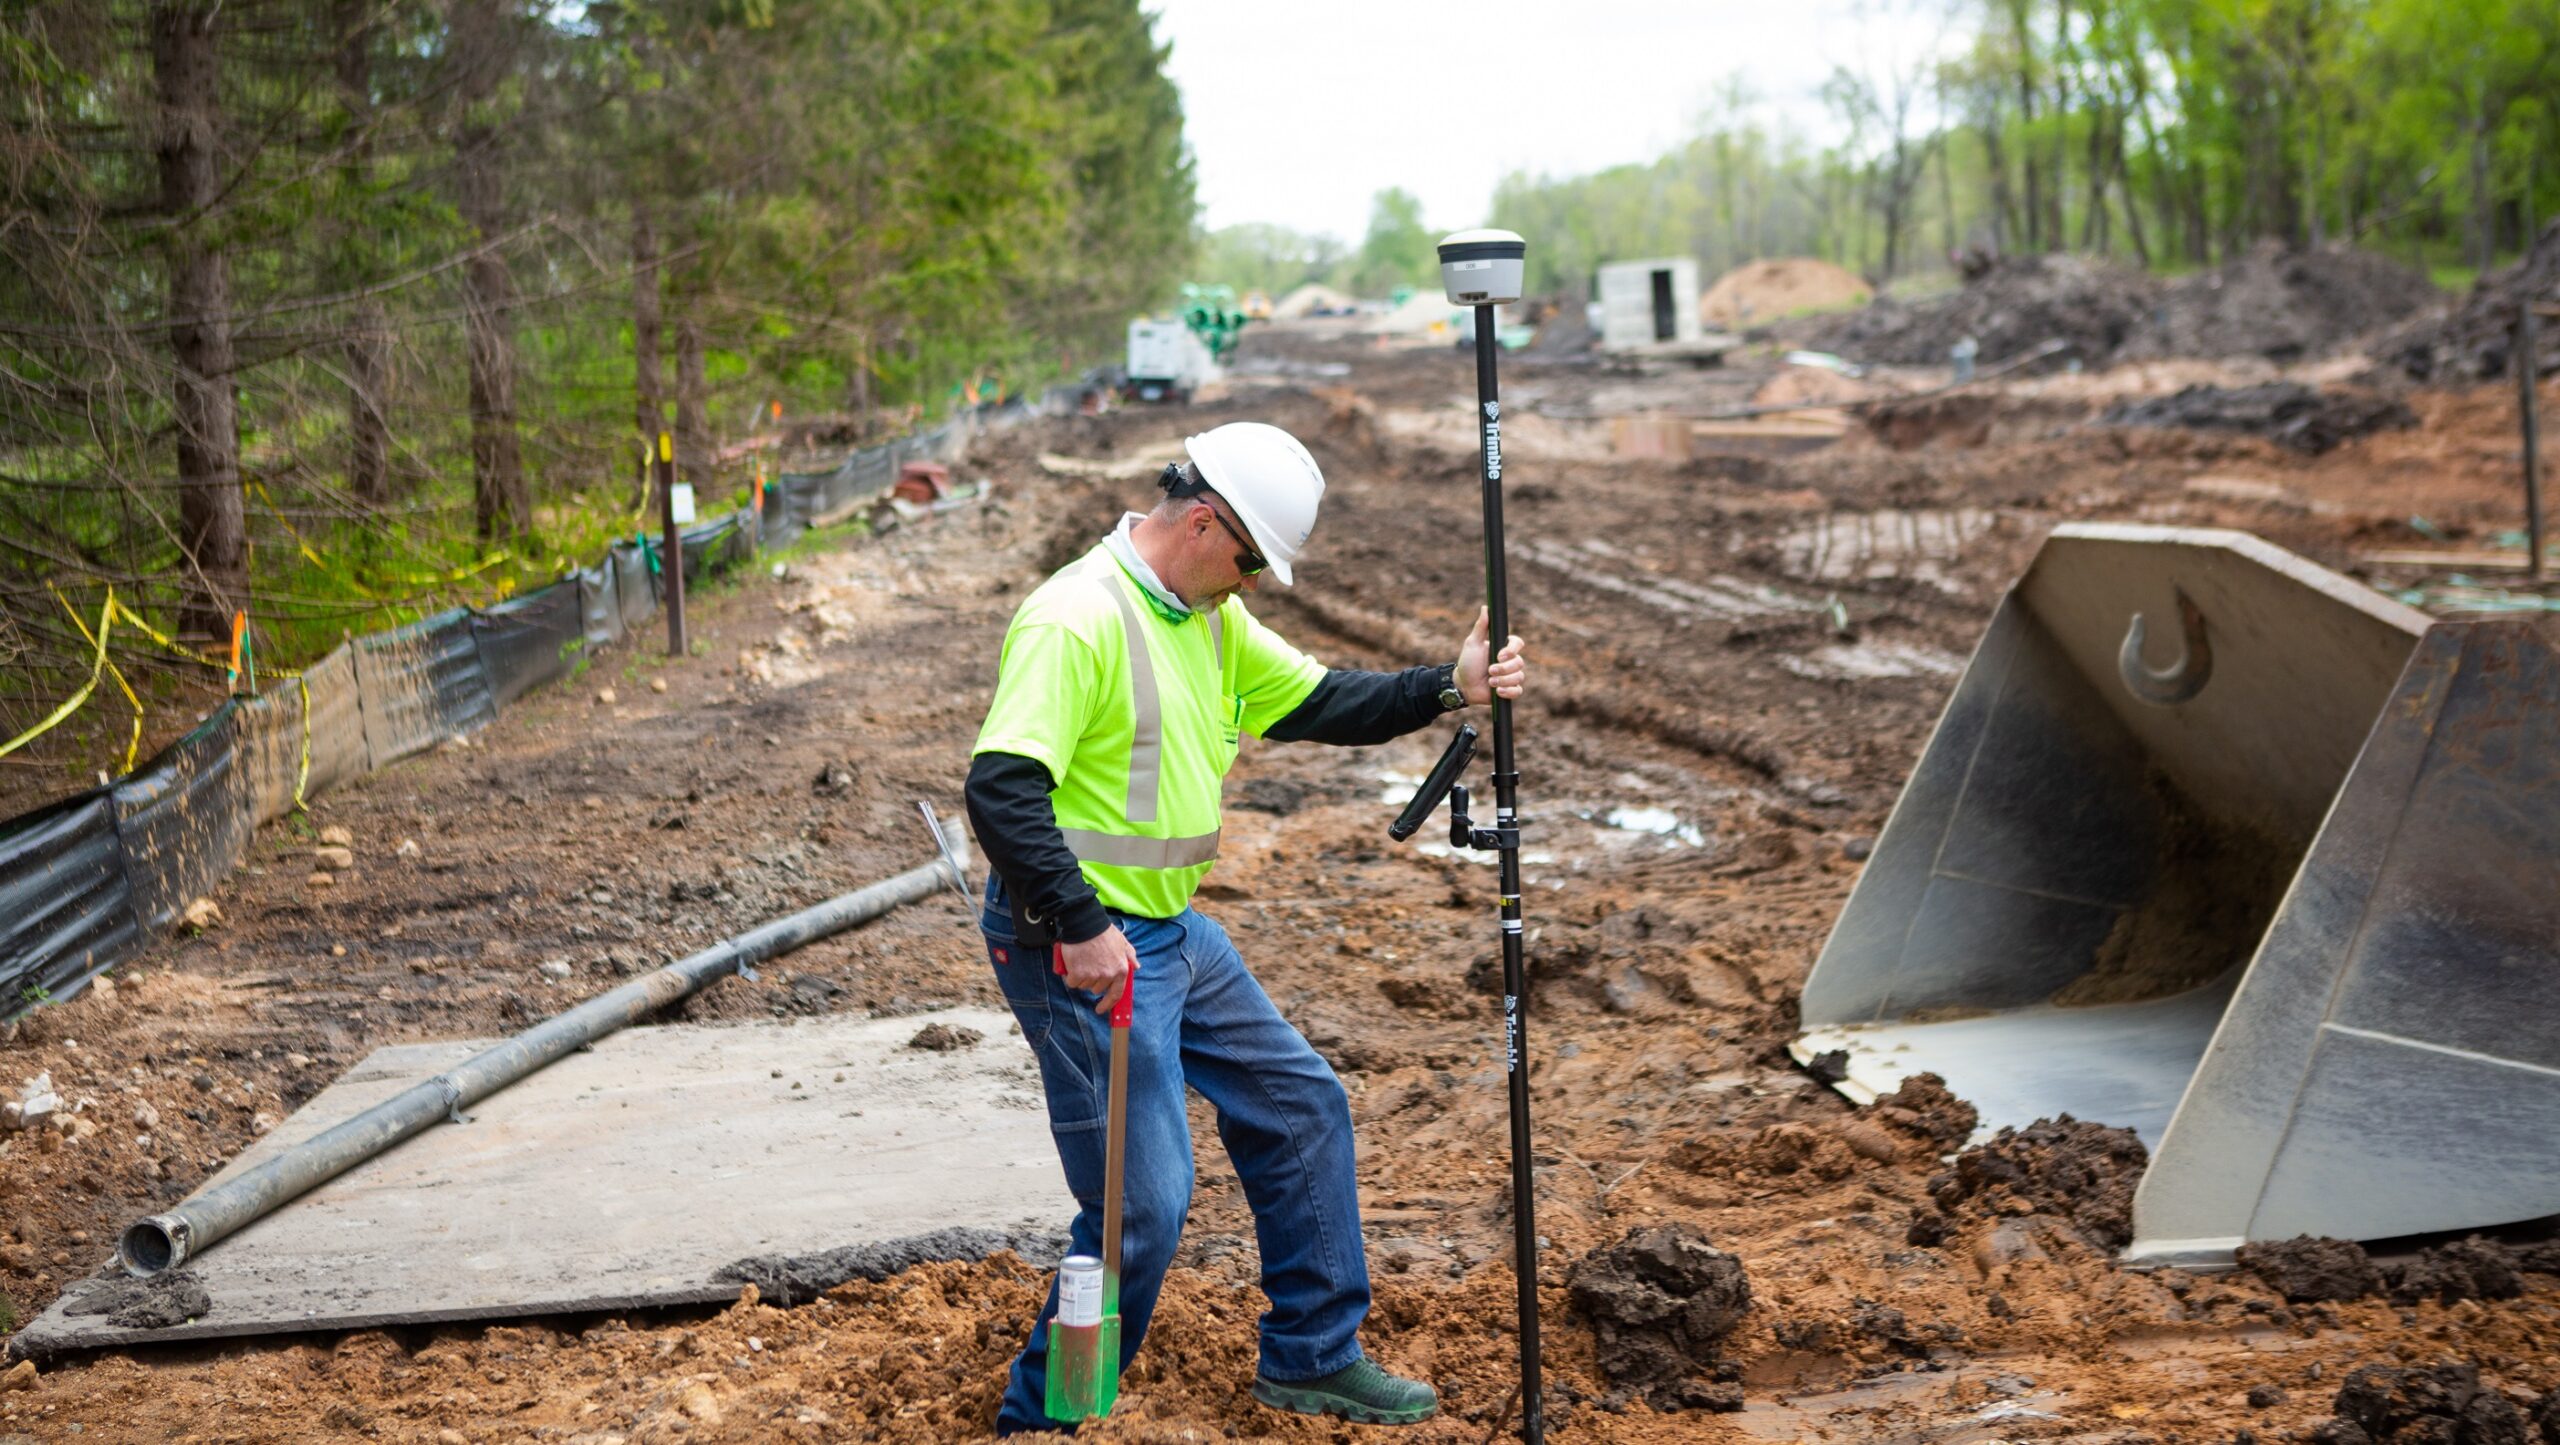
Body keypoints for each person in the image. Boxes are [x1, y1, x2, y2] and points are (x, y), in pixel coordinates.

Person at [966, 421, 1527, 1433]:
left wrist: (1452, 684)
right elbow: (1002, 791)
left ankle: (1312, 1355)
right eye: (1251, 559)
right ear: (1202, 520)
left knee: (1302, 1104)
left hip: (1170, 933)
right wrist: (1084, 926)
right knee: (1139, 1205)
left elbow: (1320, 700)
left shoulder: (1204, 616)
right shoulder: (1075, 616)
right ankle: (1045, 1417)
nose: (1257, 582)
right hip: (1078, 946)